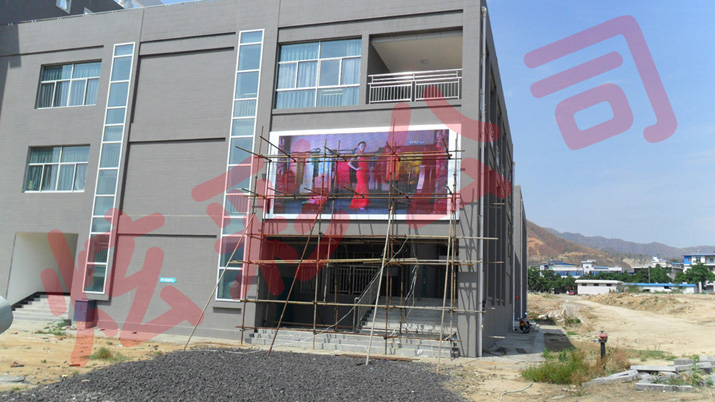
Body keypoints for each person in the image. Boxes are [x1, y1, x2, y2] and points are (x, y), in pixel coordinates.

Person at [349, 141, 370, 210]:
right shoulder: (357, 154)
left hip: (366, 173)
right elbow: (349, 163)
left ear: (365, 146)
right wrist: (356, 168)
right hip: (360, 173)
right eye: (361, 146)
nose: (362, 147)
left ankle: (362, 203)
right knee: (363, 188)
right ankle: (361, 204)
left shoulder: (365, 154)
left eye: (364, 146)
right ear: (358, 147)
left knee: (363, 187)